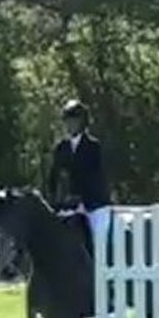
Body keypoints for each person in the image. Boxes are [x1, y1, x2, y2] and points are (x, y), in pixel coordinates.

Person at [47, 99, 112, 256]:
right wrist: (53, 202)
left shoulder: (93, 146)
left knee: (100, 235)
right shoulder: (60, 148)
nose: (70, 125)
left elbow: (94, 177)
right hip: (68, 205)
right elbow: (53, 177)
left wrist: (81, 198)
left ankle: (101, 264)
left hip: (93, 204)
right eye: (67, 121)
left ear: (82, 123)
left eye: (74, 121)